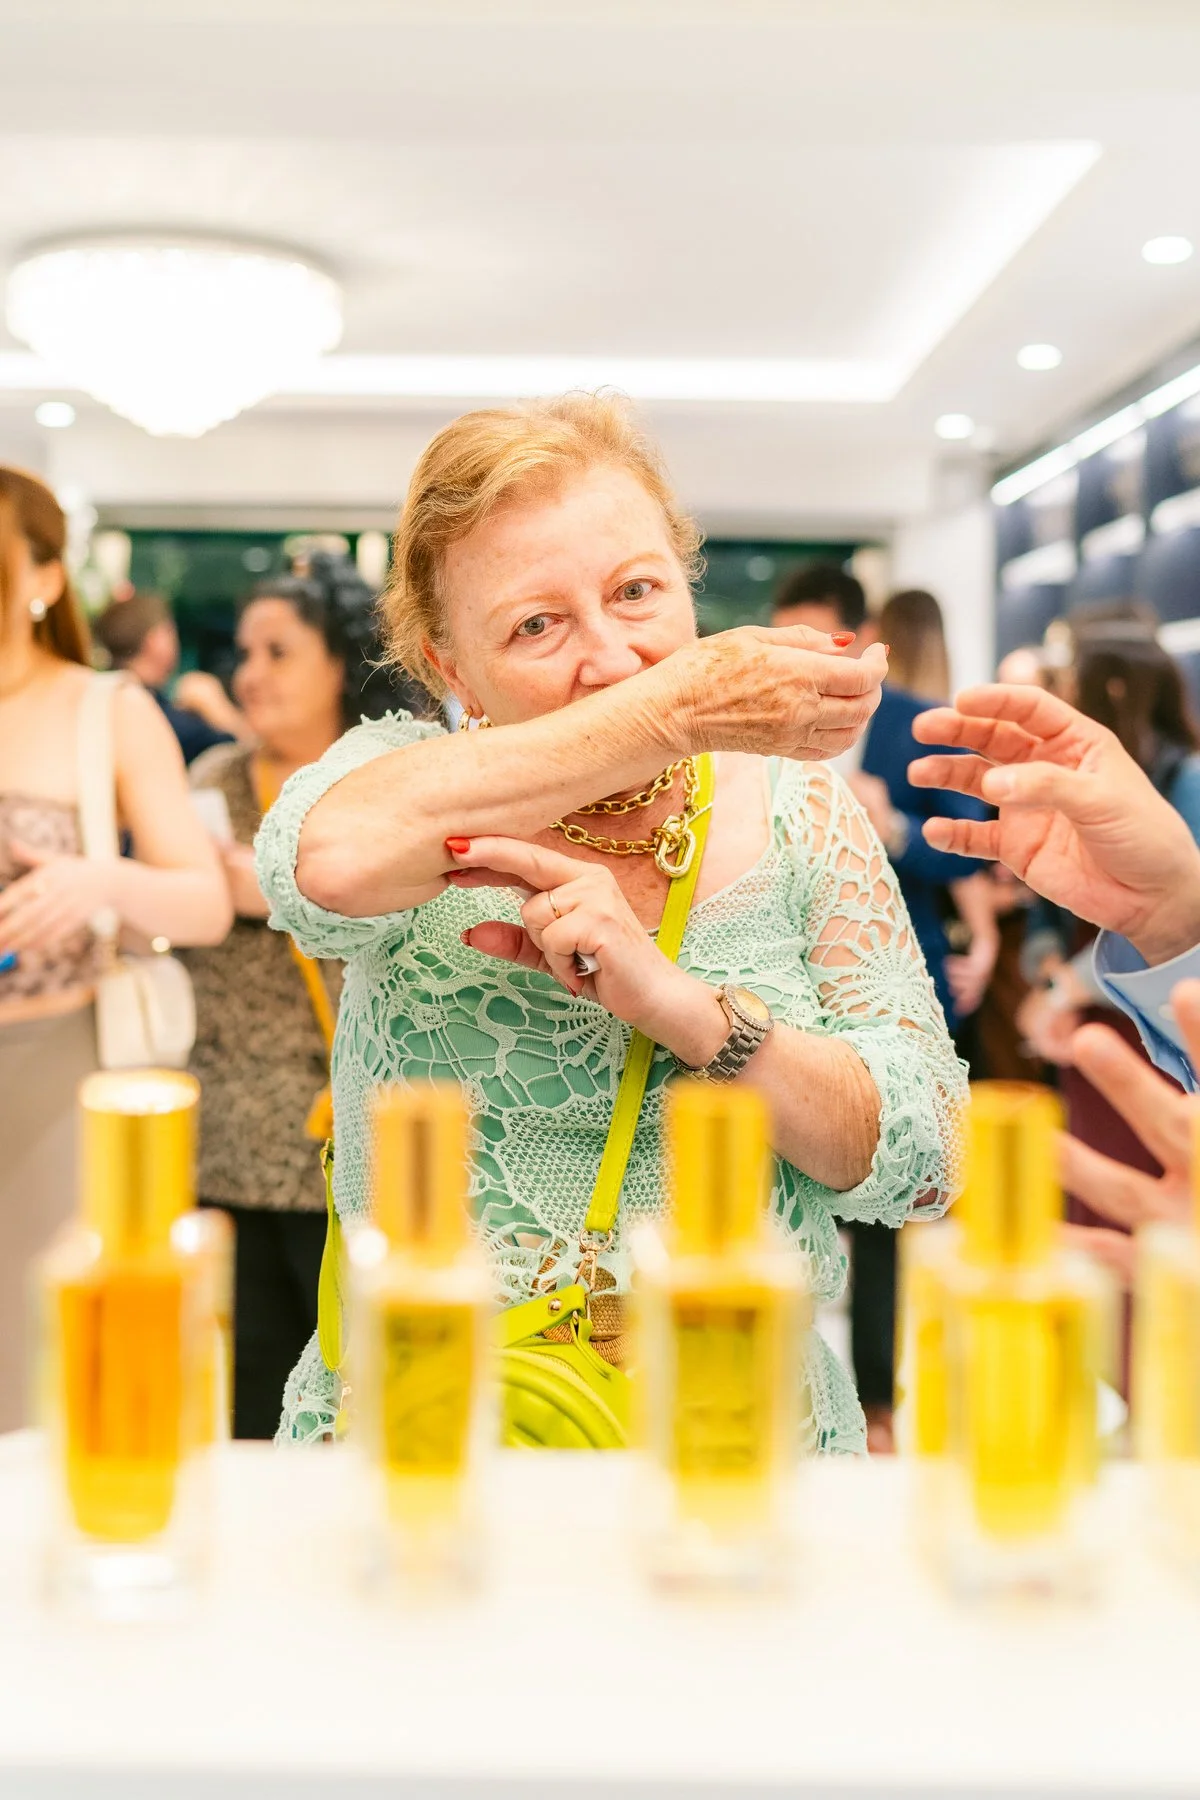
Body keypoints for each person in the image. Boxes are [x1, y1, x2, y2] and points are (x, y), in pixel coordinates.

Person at [255, 394, 966, 1452]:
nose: (611, 657)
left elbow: (929, 1161)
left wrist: (692, 1014)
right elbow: (324, 864)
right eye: (536, 624)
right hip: (430, 1428)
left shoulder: (800, 811)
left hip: (736, 1437)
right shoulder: (403, 782)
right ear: (451, 667)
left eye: (637, 591)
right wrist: (670, 713)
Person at [0, 466, 232, 1429]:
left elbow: (206, 900)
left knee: (55, 1372)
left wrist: (96, 882)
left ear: (45, 575)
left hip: (61, 1073)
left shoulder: (108, 710)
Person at [185, 553, 408, 1438]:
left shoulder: (384, 785)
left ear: (339, 662)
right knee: (243, 1398)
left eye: (278, 651)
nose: (251, 673)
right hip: (231, 1138)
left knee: (359, 1388)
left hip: (356, 1143)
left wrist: (277, 890)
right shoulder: (214, 783)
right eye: (246, 651)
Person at [771, 567, 991, 1446]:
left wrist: (892, 826)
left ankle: (874, 1400)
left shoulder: (908, 723)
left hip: (900, 977)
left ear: (860, 644)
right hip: (788, 991)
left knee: (891, 1196)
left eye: (817, 640)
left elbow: (966, 853)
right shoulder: (759, 726)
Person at [909, 681, 1200, 1090]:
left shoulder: (1182, 781)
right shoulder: (1035, 808)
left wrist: (1062, 989)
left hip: (1118, 1009)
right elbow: (1045, 916)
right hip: (1105, 998)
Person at [93, 587, 248, 764]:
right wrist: (219, 711)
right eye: (170, 631)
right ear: (155, 640)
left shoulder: (96, 702)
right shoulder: (169, 722)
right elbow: (247, 754)